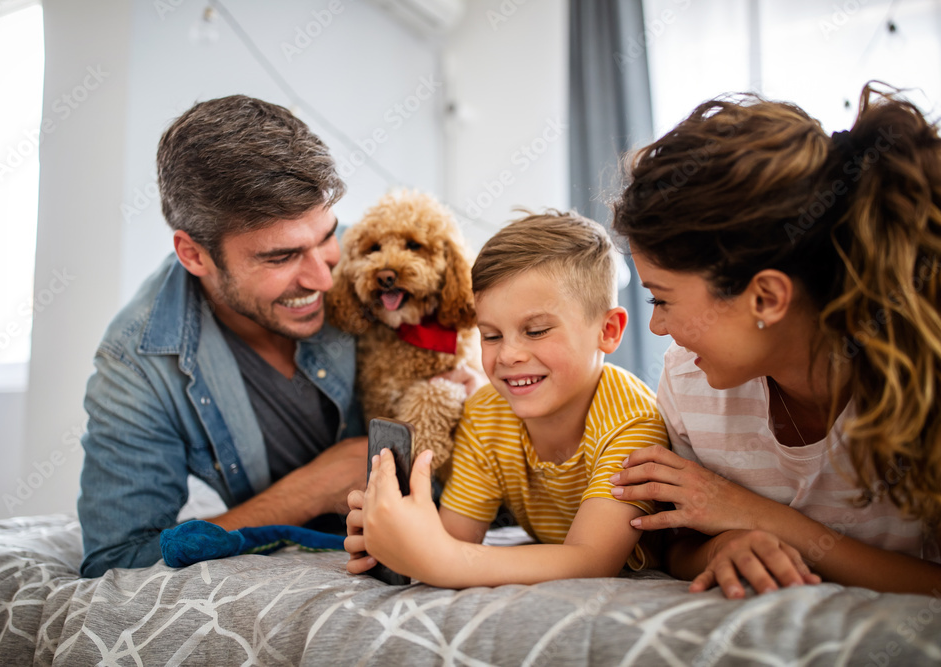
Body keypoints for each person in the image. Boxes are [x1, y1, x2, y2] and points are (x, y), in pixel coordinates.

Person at [77, 96, 481, 578]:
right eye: (281, 257)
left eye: (327, 236)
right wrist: (311, 490)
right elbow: (117, 563)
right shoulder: (137, 365)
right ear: (194, 255)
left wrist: (485, 392)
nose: (325, 280)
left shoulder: (375, 262)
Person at [608, 83, 941, 598]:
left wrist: (762, 518)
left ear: (765, 298)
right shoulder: (689, 381)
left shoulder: (922, 382)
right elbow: (674, 543)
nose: (657, 327)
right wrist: (724, 546)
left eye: (662, 299)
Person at [344, 210, 670, 587]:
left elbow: (592, 559)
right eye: (492, 335)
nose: (508, 355)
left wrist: (439, 559)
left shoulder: (631, 421)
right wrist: (396, 539)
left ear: (608, 331)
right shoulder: (486, 414)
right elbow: (453, 539)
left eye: (536, 331)